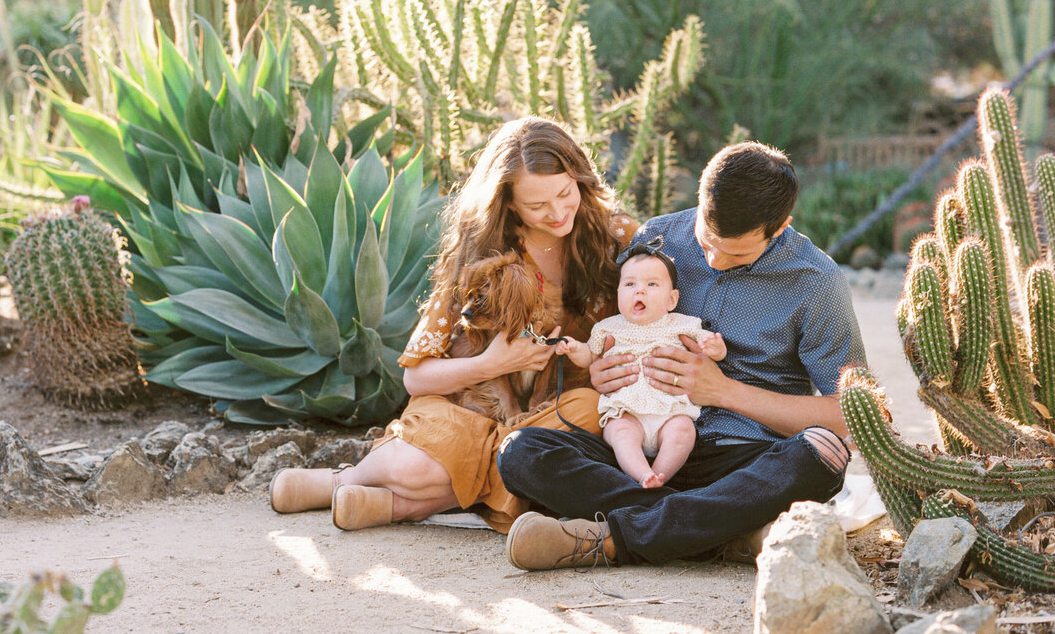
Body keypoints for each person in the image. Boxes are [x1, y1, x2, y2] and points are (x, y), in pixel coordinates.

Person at [497, 140, 864, 569]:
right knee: (521, 451)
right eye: (707, 241)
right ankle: (724, 530)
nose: (714, 259)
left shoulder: (816, 281)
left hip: (745, 460)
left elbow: (852, 413)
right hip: (644, 456)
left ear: (780, 227)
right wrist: (601, 370)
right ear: (698, 200)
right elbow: (616, 332)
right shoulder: (657, 236)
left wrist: (724, 392)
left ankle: (612, 539)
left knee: (822, 452)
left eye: (737, 252)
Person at [268, 116, 639, 532]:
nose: (556, 213)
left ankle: (392, 502)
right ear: (509, 203)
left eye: (565, 193)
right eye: (537, 206)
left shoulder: (618, 237)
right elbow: (417, 378)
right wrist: (493, 363)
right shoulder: (482, 250)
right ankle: (366, 483)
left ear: (581, 179)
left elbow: (657, 311)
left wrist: (606, 366)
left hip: (552, 414)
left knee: (589, 414)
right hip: (471, 409)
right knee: (430, 461)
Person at [555, 238, 726, 489]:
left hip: (670, 413)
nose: (640, 291)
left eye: (652, 284)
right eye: (630, 284)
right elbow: (590, 356)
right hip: (627, 412)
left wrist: (716, 348)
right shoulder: (608, 327)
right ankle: (641, 475)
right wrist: (572, 348)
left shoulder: (684, 324)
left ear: (671, 300)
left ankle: (659, 475)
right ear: (618, 293)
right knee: (619, 432)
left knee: (684, 433)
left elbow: (707, 350)